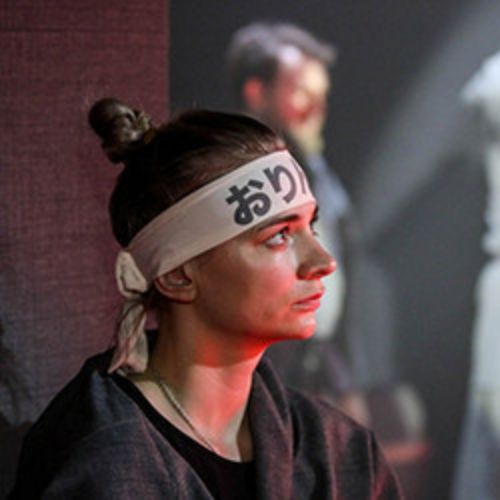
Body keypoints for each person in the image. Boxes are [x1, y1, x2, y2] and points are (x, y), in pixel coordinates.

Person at [9, 98, 401, 499]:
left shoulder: (339, 452)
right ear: (177, 274)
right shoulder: (101, 461)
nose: (324, 262)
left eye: (310, 227)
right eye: (279, 236)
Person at [225, 22, 396, 419]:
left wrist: (349, 380)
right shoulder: (230, 179)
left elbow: (343, 288)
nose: (316, 110)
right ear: (257, 93)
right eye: (302, 93)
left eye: (322, 96)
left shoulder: (323, 179)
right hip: (260, 376)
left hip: (319, 368)